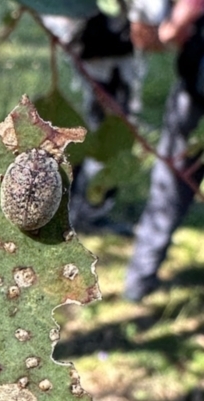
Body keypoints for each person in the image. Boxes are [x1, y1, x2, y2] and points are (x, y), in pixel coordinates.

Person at [125, 0, 204, 301]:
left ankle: (139, 281)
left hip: (195, 99)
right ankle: (139, 282)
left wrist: (169, 28)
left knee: (169, 191)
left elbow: (181, 21)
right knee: (170, 190)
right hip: (195, 94)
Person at [41, 4, 143, 235]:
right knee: (91, 132)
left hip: (109, 53)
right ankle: (78, 209)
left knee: (105, 131)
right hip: (92, 53)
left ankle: (86, 209)